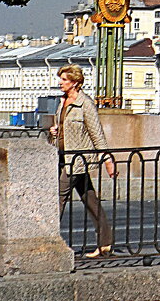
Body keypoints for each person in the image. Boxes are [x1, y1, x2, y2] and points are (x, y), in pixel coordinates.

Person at [48, 64, 115, 257]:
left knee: (58, 199)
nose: (60, 83)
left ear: (76, 83)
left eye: (65, 80)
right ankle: (105, 242)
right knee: (90, 199)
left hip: (77, 160)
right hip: (62, 157)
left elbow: (97, 134)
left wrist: (107, 160)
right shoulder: (62, 102)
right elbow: (62, 130)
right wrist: (54, 132)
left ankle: (49, 243)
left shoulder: (85, 104)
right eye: (60, 79)